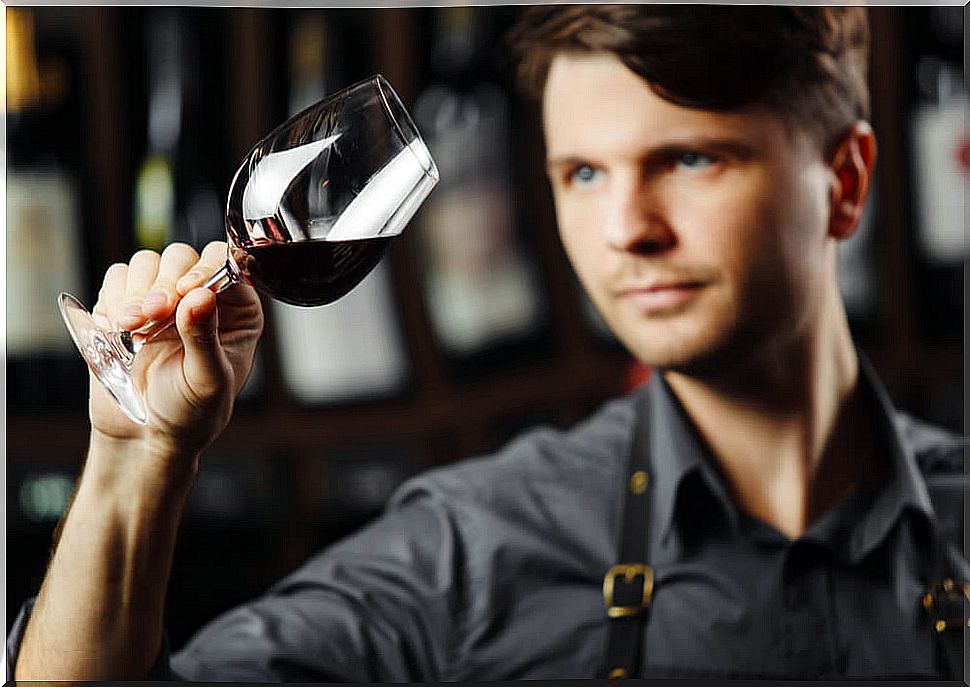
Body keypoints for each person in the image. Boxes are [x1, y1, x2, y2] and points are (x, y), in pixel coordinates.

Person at [9, 5, 968, 681]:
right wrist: (138, 460)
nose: (625, 226)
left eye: (688, 158)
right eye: (583, 173)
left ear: (844, 182)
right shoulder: (470, 552)